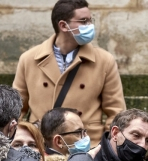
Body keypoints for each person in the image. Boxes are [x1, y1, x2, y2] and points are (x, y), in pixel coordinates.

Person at [13, 0, 125, 145]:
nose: (89, 26)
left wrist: (103, 147)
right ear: (63, 26)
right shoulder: (29, 59)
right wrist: (23, 140)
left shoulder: (104, 61)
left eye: (91, 20)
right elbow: (16, 110)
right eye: (83, 21)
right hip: (40, 145)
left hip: (86, 146)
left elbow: (116, 112)